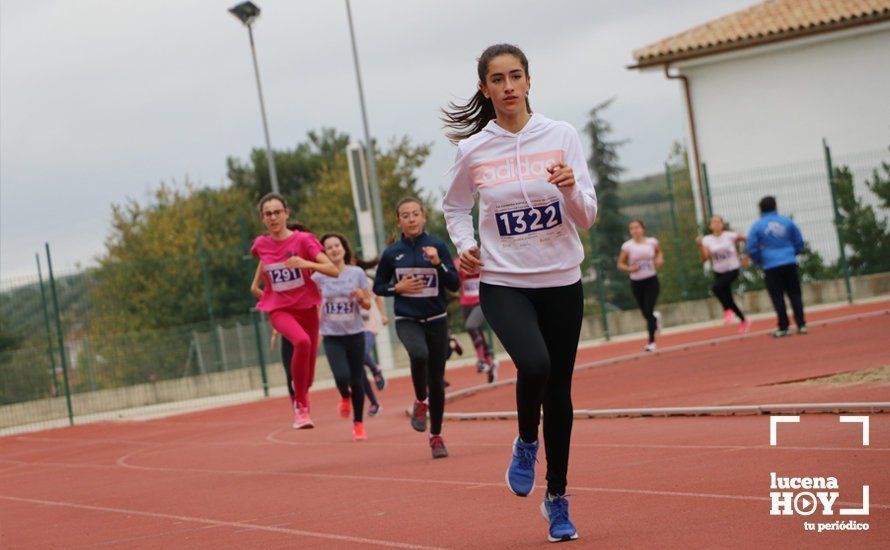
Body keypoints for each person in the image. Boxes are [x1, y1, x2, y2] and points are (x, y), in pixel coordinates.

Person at [441, 43, 597, 543]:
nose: (508, 87)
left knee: (561, 393)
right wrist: (466, 245)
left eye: (516, 76)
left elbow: (587, 217)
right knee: (534, 365)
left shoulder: (561, 136)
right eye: (497, 79)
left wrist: (571, 189)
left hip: (561, 279)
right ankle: (526, 441)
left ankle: (557, 498)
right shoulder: (473, 150)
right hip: (504, 281)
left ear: (530, 81)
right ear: (485, 89)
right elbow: (454, 207)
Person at [373, 197, 460, 459]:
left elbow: (454, 283)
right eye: (405, 215)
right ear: (398, 221)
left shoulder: (437, 246)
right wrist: (396, 288)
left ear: (424, 218)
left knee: (437, 380)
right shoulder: (392, 253)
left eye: (415, 214)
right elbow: (378, 287)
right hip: (407, 319)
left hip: (436, 319)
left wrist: (437, 264)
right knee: (418, 354)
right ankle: (420, 401)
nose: (411, 219)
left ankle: (436, 436)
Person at [250, 193, 337, 429]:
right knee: (301, 342)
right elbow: (264, 264)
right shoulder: (261, 245)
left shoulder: (304, 241)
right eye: (268, 214)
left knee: (307, 378)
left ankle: (303, 395)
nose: (273, 217)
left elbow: (332, 270)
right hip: (280, 311)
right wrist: (265, 295)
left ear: (286, 214)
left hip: (306, 309)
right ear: (263, 218)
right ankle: (301, 408)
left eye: (277, 212)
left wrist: (305, 263)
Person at [313, 233, 372, 441]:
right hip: (331, 335)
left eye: (337, 245)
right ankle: (344, 396)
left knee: (357, 381)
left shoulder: (357, 273)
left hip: (355, 333)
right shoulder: (318, 277)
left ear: (344, 248)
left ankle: (358, 424)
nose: (334, 249)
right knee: (341, 376)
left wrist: (361, 298)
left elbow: (368, 304)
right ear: (324, 253)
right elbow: (312, 303)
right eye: (329, 247)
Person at [746, 196, 806, 337]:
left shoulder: (757, 225)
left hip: (771, 265)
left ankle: (784, 327)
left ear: (760, 209)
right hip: (789, 262)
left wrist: (759, 259)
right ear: (775, 206)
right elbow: (799, 241)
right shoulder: (787, 221)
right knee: (795, 294)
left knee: (777, 297)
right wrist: (792, 253)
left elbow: (751, 246)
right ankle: (801, 324)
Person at [696, 215, 752, 334]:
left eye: (718, 222)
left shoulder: (730, 235)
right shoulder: (707, 239)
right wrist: (700, 245)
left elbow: (748, 239)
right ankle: (744, 320)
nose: (716, 224)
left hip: (732, 268)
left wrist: (747, 256)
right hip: (718, 271)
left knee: (715, 288)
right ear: (710, 226)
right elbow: (704, 258)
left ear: (722, 224)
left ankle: (727, 310)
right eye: (713, 222)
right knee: (728, 299)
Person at [617, 220, 663, 352]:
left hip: (651, 280)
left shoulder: (652, 242)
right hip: (636, 282)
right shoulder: (627, 246)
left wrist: (659, 259)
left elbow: (659, 253)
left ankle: (651, 342)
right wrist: (630, 268)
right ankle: (655, 319)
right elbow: (620, 264)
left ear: (643, 229)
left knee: (648, 310)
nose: (634, 230)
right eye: (632, 228)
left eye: (637, 227)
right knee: (645, 313)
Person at [455, 256, 498, 383]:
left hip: (481, 301)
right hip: (466, 303)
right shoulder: (458, 261)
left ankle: (481, 360)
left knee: (471, 326)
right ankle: (491, 363)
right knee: (476, 333)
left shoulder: (484, 258)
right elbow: (455, 278)